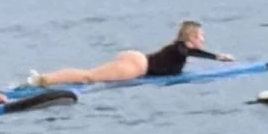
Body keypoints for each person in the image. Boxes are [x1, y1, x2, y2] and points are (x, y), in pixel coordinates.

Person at [28, 19, 231, 87]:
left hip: (136, 60)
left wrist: (218, 57)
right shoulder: (180, 48)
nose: (203, 39)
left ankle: (45, 79)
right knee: (88, 77)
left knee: (88, 75)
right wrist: (217, 58)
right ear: (191, 37)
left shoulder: (180, 49)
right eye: (200, 36)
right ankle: (43, 79)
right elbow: (193, 52)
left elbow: (193, 52)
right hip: (137, 66)